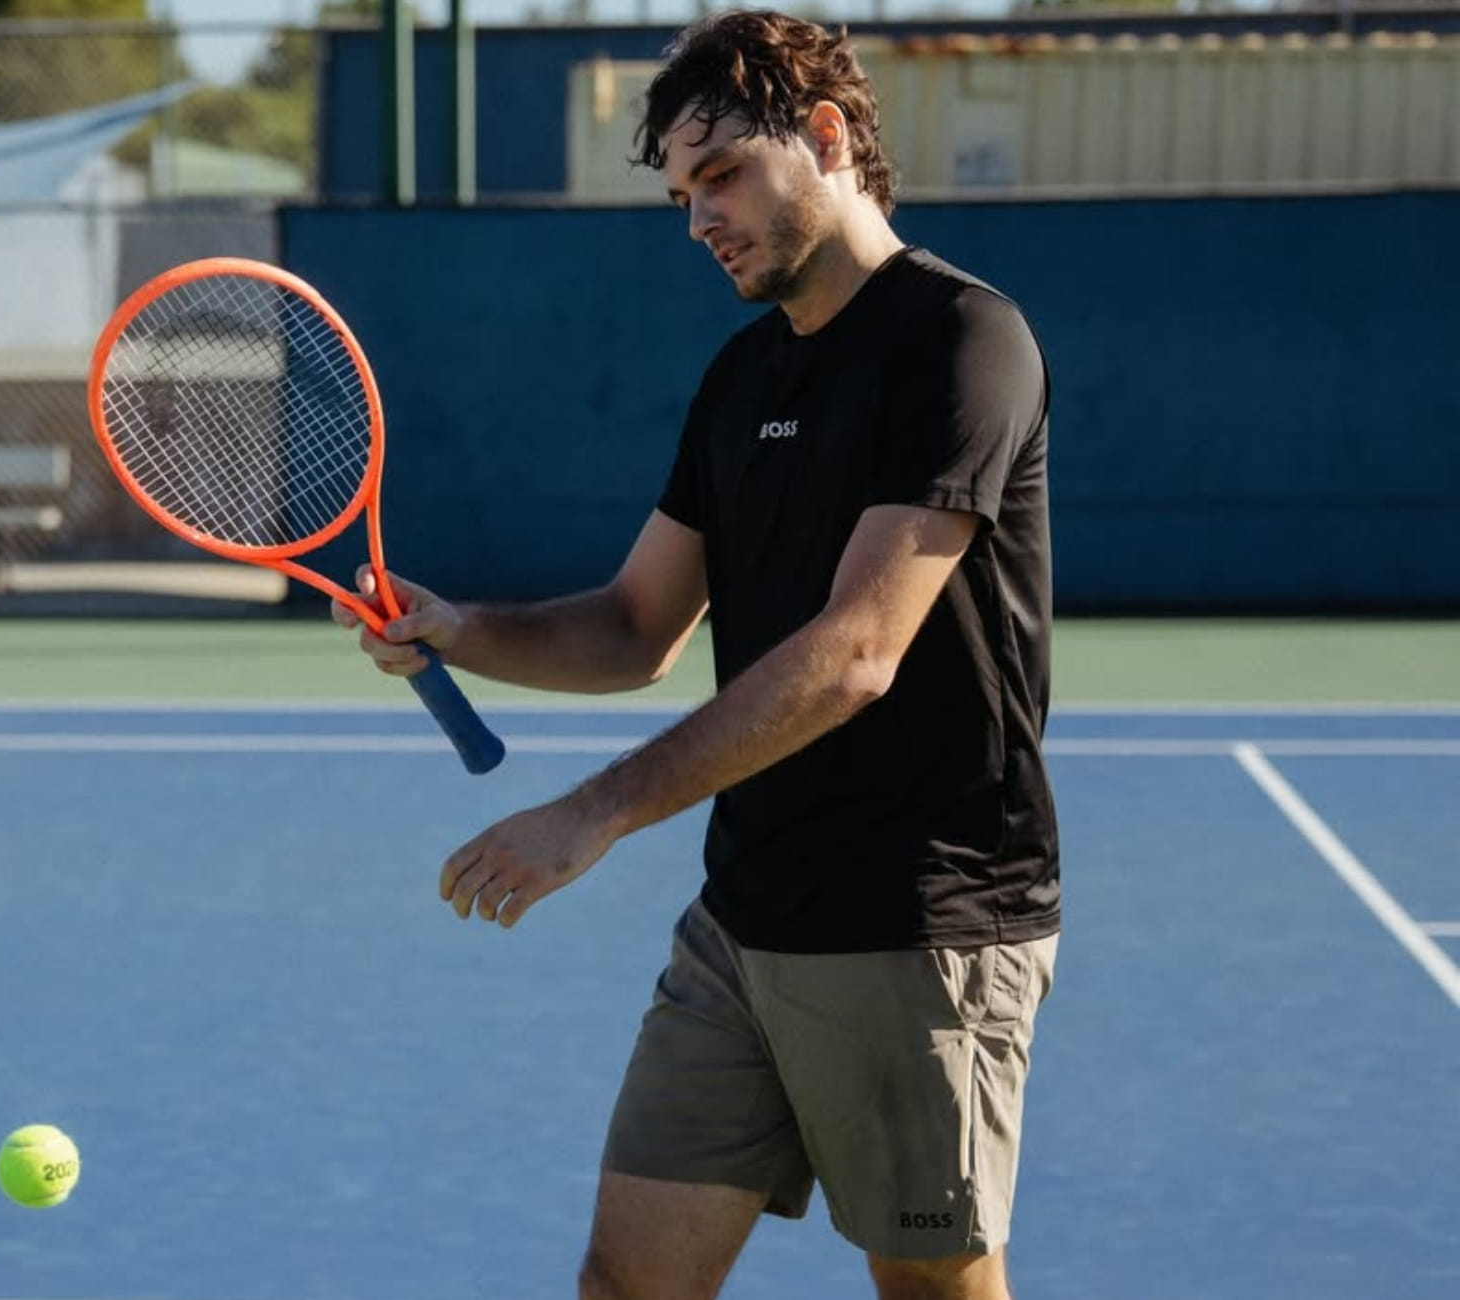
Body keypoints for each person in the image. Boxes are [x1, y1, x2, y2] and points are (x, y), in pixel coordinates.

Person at [332, 11, 1059, 1299]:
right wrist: (462, 629)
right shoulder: (740, 380)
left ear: (826, 137)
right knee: (625, 1285)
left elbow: (854, 655)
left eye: (720, 176)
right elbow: (634, 628)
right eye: (680, 192)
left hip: (914, 924)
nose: (696, 219)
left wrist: (597, 810)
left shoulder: (962, 342)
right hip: (744, 920)